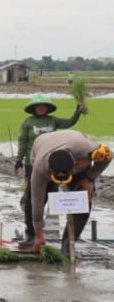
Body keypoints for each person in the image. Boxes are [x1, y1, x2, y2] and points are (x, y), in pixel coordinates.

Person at [14, 94, 87, 247]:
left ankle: (51, 232)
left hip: (53, 163)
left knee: (51, 195)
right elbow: (22, 141)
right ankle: (31, 235)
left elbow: (69, 123)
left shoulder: (52, 120)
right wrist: (19, 159)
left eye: (43, 106)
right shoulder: (27, 122)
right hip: (33, 163)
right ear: (33, 108)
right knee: (32, 199)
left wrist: (78, 111)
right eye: (38, 106)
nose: (41, 108)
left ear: (47, 108)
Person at [24, 130, 111, 255]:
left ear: (75, 163)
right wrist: (39, 233)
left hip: (75, 147)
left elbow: (109, 156)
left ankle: (68, 243)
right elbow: (36, 200)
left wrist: (89, 178)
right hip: (42, 146)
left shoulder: (86, 149)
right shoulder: (40, 169)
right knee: (31, 200)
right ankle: (32, 237)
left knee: (84, 198)